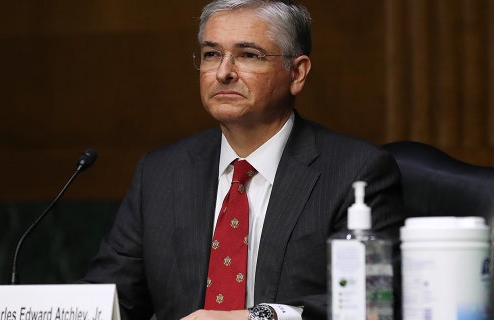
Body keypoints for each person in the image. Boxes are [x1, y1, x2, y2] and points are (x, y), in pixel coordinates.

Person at [82, 0, 405, 319]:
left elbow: (371, 302)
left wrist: (258, 317)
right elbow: (111, 301)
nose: (223, 72)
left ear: (297, 73)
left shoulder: (356, 171)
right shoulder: (161, 172)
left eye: (248, 55)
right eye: (212, 55)